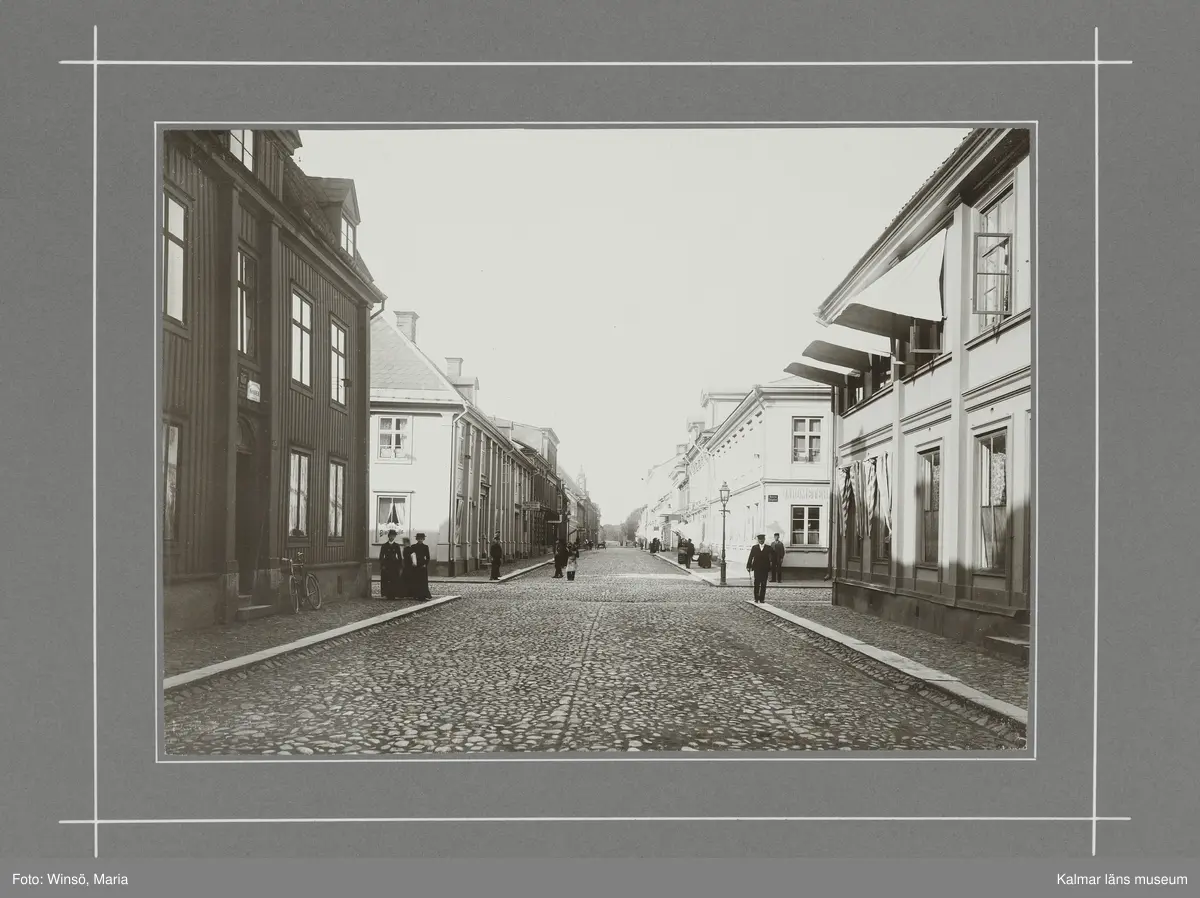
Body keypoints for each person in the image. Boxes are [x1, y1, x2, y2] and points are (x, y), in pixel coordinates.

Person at [747, 534, 772, 604]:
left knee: (763, 584)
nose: (761, 541)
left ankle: (762, 598)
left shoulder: (768, 548)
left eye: (762, 539)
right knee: (756, 583)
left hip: (765, 568)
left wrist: (771, 566)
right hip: (757, 568)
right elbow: (751, 557)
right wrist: (748, 566)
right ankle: (756, 598)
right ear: (758, 540)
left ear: (764, 540)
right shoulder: (754, 548)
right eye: (760, 539)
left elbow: (772, 557)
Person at [379, 529, 404, 600]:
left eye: (393, 536)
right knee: (386, 579)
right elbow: (381, 556)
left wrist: (400, 566)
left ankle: (393, 594)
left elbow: (399, 556)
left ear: (395, 537)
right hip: (386, 564)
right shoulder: (384, 545)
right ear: (388, 536)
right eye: (391, 536)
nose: (392, 537)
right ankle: (387, 594)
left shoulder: (396, 546)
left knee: (394, 579)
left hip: (394, 565)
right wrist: (382, 565)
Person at [408, 532, 432, 600]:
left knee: (423, 581)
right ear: (417, 539)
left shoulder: (425, 547)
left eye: (421, 539)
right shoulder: (413, 547)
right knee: (415, 580)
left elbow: (428, 557)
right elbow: (410, 556)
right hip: (415, 565)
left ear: (423, 539)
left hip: (422, 565)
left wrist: (425, 564)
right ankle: (415, 594)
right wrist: (412, 563)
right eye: (419, 539)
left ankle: (423, 594)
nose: (420, 540)